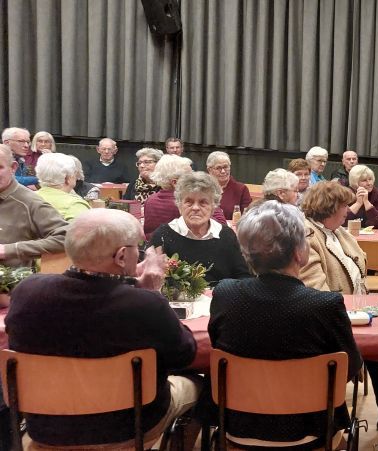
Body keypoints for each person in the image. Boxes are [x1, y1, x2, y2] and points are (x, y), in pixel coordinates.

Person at [6, 208, 201, 448]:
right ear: (121, 256)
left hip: (47, 429)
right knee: (197, 381)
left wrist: (132, 285)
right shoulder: (144, 305)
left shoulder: (27, 292)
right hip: (129, 428)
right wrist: (152, 293)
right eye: (138, 249)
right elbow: (184, 355)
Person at [209, 201, 362, 448]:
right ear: (299, 253)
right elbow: (351, 367)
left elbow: (218, 345)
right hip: (310, 432)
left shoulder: (225, 294)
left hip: (237, 428)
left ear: (247, 253)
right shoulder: (325, 305)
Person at [299, 181, 378, 435]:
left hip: (355, 312)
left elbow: (359, 270)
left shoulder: (339, 232)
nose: (349, 210)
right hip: (329, 322)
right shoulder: (307, 237)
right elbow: (316, 291)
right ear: (329, 208)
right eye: (344, 205)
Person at [149, 172, 252, 285]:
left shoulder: (226, 235)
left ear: (213, 207)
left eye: (203, 202)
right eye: (189, 201)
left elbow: (244, 277)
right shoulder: (163, 236)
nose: (195, 208)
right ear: (179, 205)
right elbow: (151, 280)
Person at [0, 144, 67, 272]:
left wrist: (9, 250)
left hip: (9, 281)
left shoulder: (29, 202)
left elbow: (66, 237)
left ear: (13, 167)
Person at [142, 155, 226, 238]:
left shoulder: (150, 200)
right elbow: (221, 228)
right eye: (189, 176)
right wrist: (211, 200)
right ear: (175, 183)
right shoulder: (182, 203)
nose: (195, 178)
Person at [34, 153, 91, 221]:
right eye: (75, 173)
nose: (76, 177)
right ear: (67, 178)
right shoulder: (75, 205)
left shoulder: (28, 198)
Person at [206, 151, 252, 220]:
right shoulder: (204, 188)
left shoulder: (241, 189)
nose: (223, 171)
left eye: (225, 167)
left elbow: (247, 217)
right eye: (218, 168)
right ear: (209, 170)